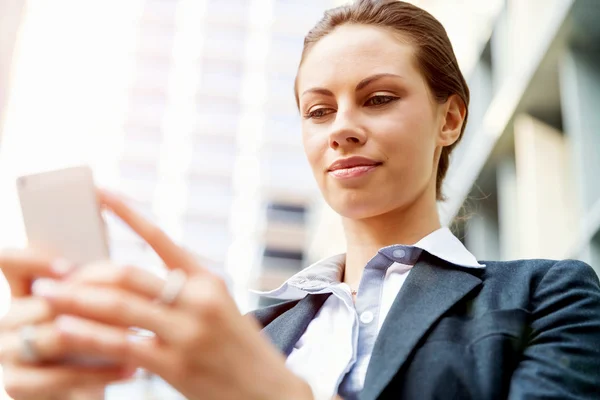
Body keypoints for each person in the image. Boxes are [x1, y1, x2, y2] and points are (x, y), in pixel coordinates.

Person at [1, 0, 600, 399]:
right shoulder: (240, 339)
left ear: (451, 118)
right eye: (319, 110)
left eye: (379, 98)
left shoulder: (548, 296)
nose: (340, 126)